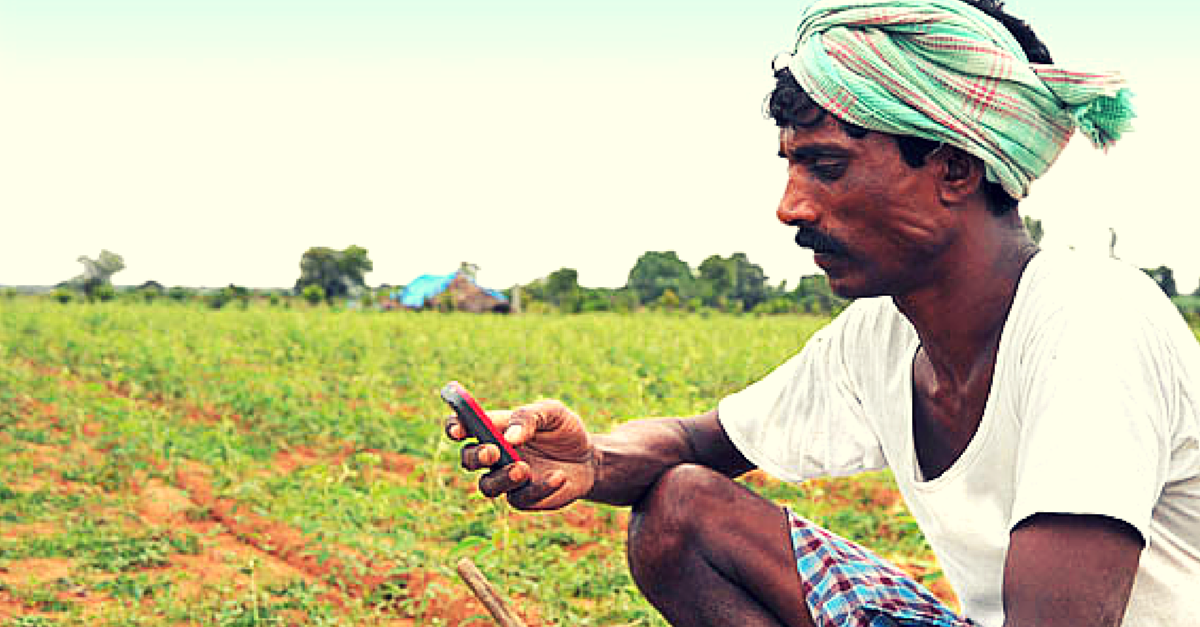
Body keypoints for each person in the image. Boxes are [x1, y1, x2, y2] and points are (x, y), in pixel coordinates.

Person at [447, 0, 1200, 625]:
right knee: (681, 512)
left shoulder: (1092, 323)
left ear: (955, 169)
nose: (790, 207)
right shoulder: (882, 333)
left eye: (826, 166)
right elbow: (698, 443)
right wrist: (591, 460)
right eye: (792, 164)